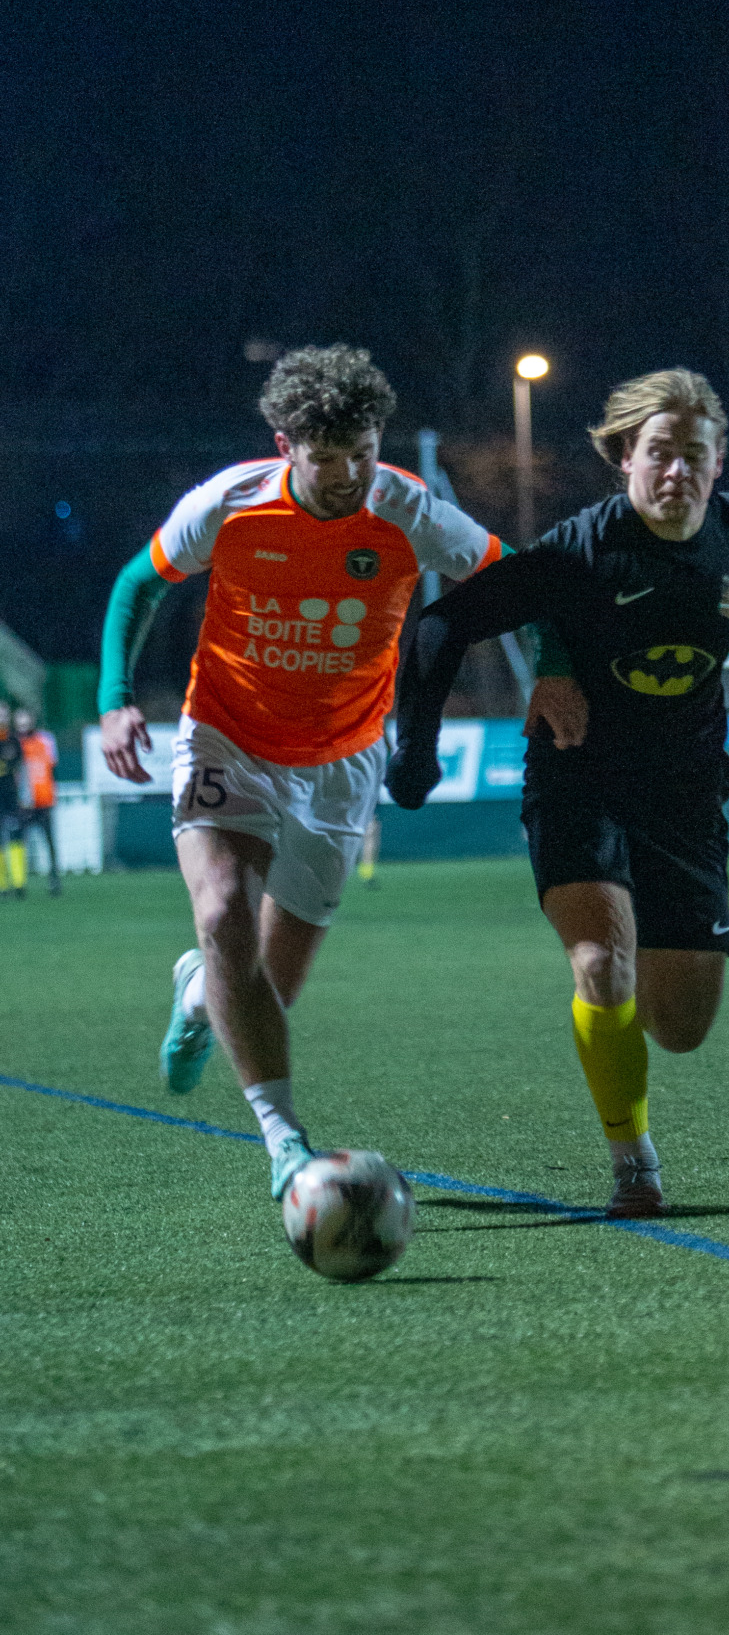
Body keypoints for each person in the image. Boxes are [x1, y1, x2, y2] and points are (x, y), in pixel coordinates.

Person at [386, 367, 729, 1218]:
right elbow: (444, 622)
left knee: (681, 1026)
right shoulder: (583, 547)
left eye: (694, 455)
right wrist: (415, 752)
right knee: (601, 962)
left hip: (685, 788)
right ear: (624, 458)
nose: (677, 471)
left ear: (718, 462)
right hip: (579, 775)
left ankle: (619, 1032)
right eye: (659, 453)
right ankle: (632, 1158)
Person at [97, 345, 510, 1200]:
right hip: (228, 737)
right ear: (285, 445)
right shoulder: (230, 503)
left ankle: (198, 995)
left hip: (342, 762)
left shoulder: (408, 509)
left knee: (264, 988)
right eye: (327, 458)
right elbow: (139, 582)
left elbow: (511, 578)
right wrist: (114, 699)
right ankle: (285, 1143)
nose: (350, 474)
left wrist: (556, 677)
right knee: (223, 913)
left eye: (363, 452)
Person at [14, 707, 62, 895]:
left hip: (44, 799)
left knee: (48, 840)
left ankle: (54, 877)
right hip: (24, 801)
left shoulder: (46, 739)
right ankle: (19, 881)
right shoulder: (14, 742)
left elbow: (52, 767)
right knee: (20, 841)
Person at [0, 701, 26, 897]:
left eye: (3, 714)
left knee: (16, 836)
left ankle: (19, 883)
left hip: (10, 795)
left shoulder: (13, 741)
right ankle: (2, 884)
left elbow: (20, 768)